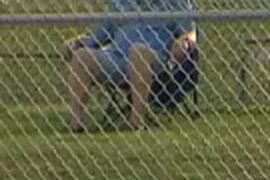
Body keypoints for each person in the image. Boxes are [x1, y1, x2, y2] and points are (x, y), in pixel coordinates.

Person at [65, 0, 197, 132]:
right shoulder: (119, 4)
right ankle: (76, 122)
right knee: (82, 56)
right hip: (117, 59)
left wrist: (184, 43)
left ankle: (136, 121)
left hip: (155, 57)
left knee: (138, 51)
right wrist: (78, 44)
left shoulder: (175, 3)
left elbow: (189, 33)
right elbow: (98, 36)